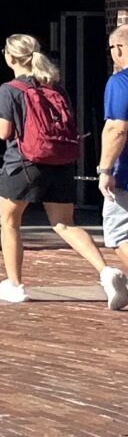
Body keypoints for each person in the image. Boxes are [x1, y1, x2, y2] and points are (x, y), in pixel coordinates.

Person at [0, 32, 111, 303]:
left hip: (22, 165)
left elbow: (4, 132)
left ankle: (15, 285)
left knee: (10, 223)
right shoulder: (56, 87)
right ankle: (106, 271)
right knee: (64, 223)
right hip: (60, 163)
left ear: (10, 57)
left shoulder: (9, 90)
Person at [88, 20, 128, 310]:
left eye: (116, 48)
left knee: (119, 235)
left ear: (120, 49)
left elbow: (117, 128)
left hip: (125, 173)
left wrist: (105, 170)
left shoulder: (120, 82)